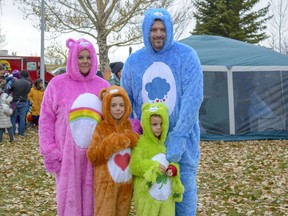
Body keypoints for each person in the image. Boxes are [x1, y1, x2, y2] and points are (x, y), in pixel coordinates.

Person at [121, 8, 203, 216]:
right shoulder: (134, 62)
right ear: (146, 31)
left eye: (162, 29)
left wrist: (178, 137)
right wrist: (135, 136)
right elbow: (126, 102)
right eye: (153, 29)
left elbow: (193, 99)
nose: (158, 33)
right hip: (148, 145)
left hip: (181, 144)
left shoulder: (187, 56)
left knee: (181, 193)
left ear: (170, 30)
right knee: (151, 197)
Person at [39, 38, 109, 216]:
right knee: (68, 200)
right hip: (67, 156)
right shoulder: (57, 84)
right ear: (72, 58)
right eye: (80, 57)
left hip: (95, 155)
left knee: (93, 198)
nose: (85, 61)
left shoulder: (103, 86)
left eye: (88, 57)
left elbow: (111, 118)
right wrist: (50, 149)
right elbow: (46, 119)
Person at [87, 85, 139, 216]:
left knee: (123, 212)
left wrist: (132, 138)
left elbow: (138, 149)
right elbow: (92, 156)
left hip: (126, 183)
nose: (118, 109)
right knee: (105, 212)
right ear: (107, 107)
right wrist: (110, 144)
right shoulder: (101, 128)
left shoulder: (129, 126)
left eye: (121, 105)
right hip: (106, 185)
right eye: (114, 105)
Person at [130, 102, 184, 216]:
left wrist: (173, 168)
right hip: (148, 197)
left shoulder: (167, 143)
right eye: (154, 124)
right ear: (146, 124)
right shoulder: (141, 143)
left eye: (161, 124)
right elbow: (134, 166)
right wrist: (152, 166)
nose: (158, 127)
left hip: (166, 197)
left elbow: (174, 161)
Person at [10, 70, 32, 136]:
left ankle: (13, 132)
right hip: (23, 101)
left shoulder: (15, 82)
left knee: (13, 117)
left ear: (20, 75)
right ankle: (21, 133)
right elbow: (28, 91)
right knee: (22, 117)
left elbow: (11, 90)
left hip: (14, 102)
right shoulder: (28, 83)